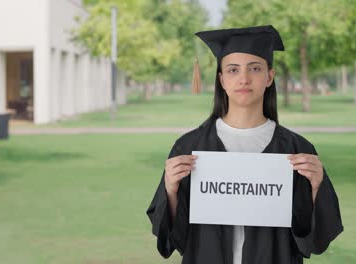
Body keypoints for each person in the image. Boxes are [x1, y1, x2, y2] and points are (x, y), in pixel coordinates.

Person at [146, 25, 343, 264]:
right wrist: (171, 191)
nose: (244, 79)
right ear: (222, 80)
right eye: (233, 70)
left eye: (255, 68)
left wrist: (315, 188)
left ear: (269, 77)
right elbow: (174, 240)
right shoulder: (190, 147)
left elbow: (315, 241)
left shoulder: (295, 149)